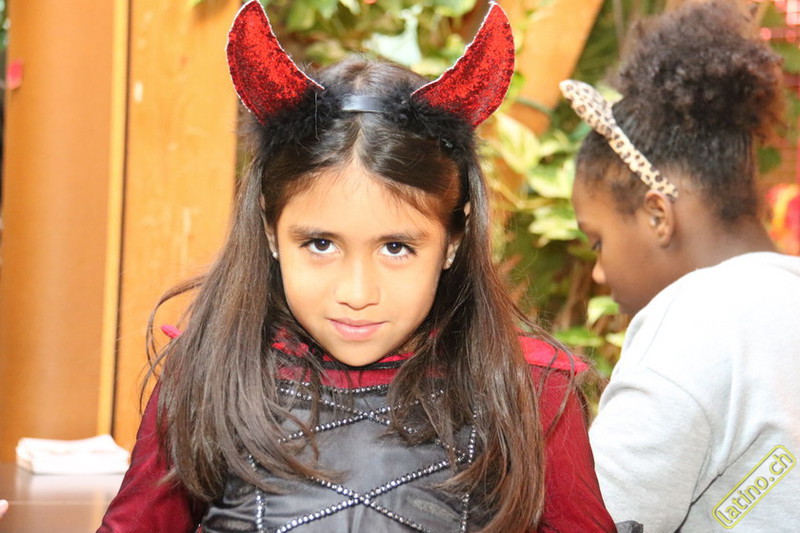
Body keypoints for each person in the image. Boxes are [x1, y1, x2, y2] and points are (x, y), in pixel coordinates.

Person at [98, 2, 614, 532]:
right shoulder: (208, 373)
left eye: (396, 248)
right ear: (271, 230)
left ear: (453, 241)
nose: (357, 292)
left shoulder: (530, 390)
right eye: (321, 244)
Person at [561, 1, 800, 531]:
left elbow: (592, 520)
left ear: (657, 215)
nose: (598, 273)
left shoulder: (695, 319)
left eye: (597, 241)